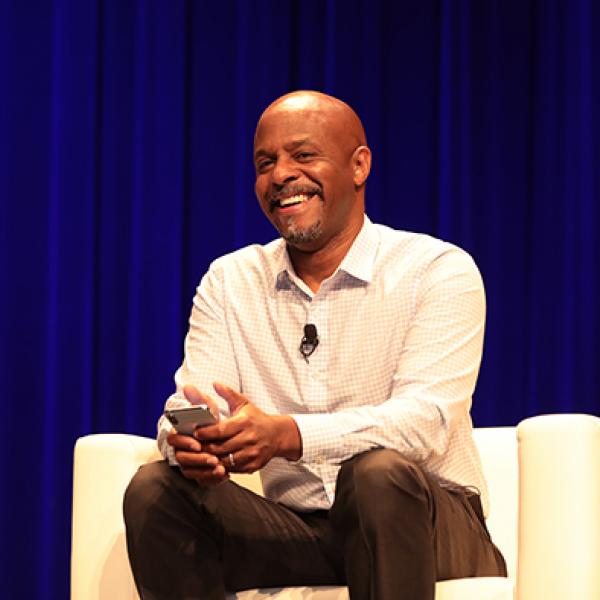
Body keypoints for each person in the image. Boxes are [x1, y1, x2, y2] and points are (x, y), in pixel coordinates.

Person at [123, 91, 507, 600]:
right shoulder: (230, 280)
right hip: (302, 529)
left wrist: (288, 435)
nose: (281, 174)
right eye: (266, 162)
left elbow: (425, 423)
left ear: (359, 165)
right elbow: (191, 402)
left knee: (378, 475)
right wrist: (193, 443)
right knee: (155, 491)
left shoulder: (435, 270)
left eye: (302, 156)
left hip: (429, 523)